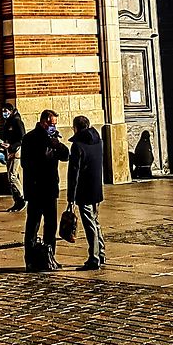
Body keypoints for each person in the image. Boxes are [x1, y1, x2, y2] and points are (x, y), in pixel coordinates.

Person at [20, 110, 69, 271]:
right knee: (33, 225)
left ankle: (50, 257)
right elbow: (26, 164)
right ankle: (31, 260)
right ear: (44, 122)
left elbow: (65, 155)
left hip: (50, 189)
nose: (54, 126)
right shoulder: (30, 138)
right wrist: (46, 150)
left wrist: (57, 144)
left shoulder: (53, 139)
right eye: (52, 123)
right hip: (35, 189)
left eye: (55, 124)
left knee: (51, 225)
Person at [67, 115, 106, 271]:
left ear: (76, 128)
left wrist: (71, 197)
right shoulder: (98, 141)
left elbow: (73, 173)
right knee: (95, 222)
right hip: (96, 188)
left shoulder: (78, 146)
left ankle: (94, 258)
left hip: (84, 190)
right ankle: (101, 252)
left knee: (89, 224)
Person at [0, 103, 27, 213]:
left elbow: (22, 138)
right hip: (8, 151)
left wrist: (12, 146)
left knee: (12, 176)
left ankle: (22, 198)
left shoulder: (17, 121)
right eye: (3, 111)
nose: (4, 113)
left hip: (16, 151)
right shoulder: (7, 122)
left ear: (11, 110)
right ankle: (17, 200)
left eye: (6, 111)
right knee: (11, 176)